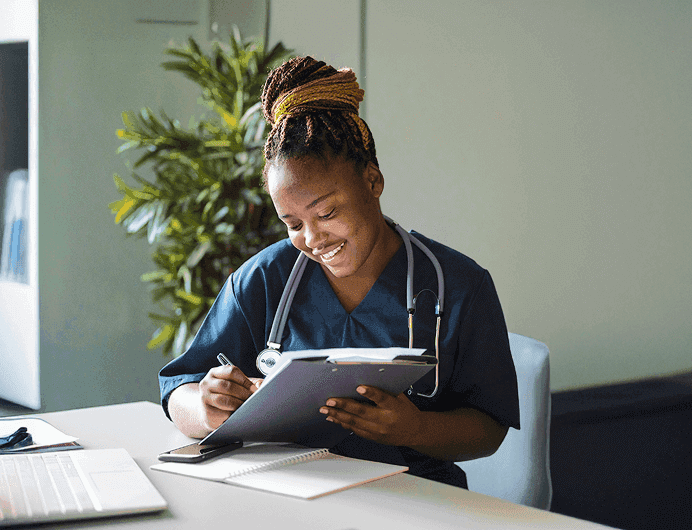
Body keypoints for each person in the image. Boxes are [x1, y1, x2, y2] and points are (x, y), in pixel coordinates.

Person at [159, 56, 519, 489]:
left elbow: (488, 430)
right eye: (292, 224)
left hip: (416, 495)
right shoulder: (264, 280)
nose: (312, 238)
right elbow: (178, 388)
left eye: (326, 212)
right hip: (286, 490)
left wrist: (415, 430)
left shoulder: (457, 286)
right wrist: (206, 407)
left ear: (372, 182)